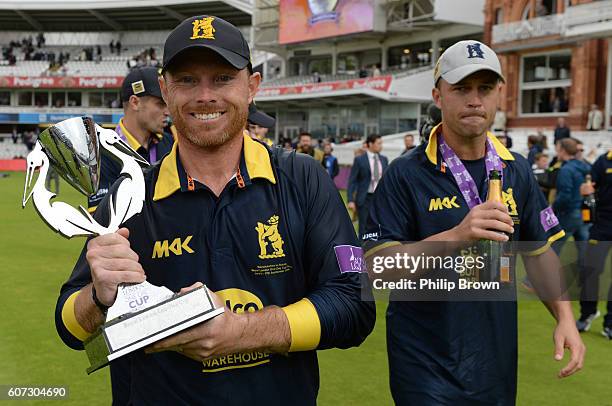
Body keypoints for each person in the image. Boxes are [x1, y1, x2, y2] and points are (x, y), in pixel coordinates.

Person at [54, 15, 374, 405]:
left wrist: (241, 331)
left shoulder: (302, 178)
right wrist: (99, 297)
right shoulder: (130, 195)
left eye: (222, 78)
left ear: (252, 87)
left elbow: (354, 303)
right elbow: (70, 328)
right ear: (167, 91)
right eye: (187, 80)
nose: (205, 95)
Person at [365, 40, 584, 405]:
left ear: (499, 93)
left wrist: (565, 317)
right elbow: (377, 268)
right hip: (424, 366)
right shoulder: (404, 174)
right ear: (438, 96)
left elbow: (540, 251)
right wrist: (458, 234)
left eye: (484, 88)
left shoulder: (516, 168)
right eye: (461, 88)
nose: (474, 100)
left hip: (494, 363)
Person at [88, 66, 174, 211]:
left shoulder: (170, 143)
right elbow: (100, 224)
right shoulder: (102, 153)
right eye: (161, 104)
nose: (168, 111)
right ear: (135, 102)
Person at [579, 150, 612, 338]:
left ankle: (611, 323)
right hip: (602, 224)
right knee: (590, 270)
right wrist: (585, 189)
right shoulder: (603, 161)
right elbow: (589, 186)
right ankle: (587, 313)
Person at [552, 138, 591, 260]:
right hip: (585, 212)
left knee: (552, 250)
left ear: (563, 151)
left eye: (557, 149)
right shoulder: (585, 166)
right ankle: (587, 278)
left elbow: (565, 196)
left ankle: (542, 278)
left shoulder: (566, 170)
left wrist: (553, 208)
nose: (556, 152)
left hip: (569, 214)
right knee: (584, 251)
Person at [347, 134, 388, 237]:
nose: (381, 146)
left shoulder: (384, 159)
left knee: (379, 226)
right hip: (365, 198)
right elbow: (352, 181)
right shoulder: (360, 160)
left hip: (379, 198)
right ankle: (362, 250)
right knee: (364, 227)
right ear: (370, 144)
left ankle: (375, 249)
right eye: (379, 143)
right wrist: (350, 199)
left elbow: (386, 180)